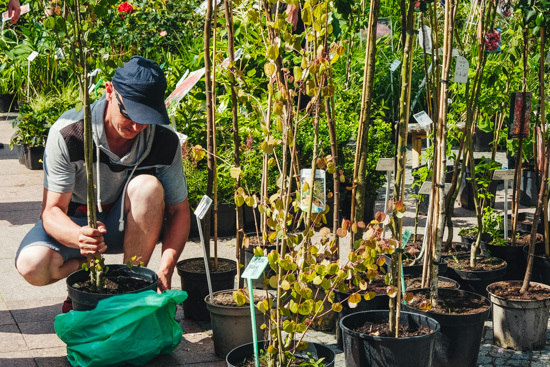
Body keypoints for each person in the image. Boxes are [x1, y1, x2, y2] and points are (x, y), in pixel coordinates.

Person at [15, 56, 191, 303]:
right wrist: (79, 236)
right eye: (130, 113)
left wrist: (166, 268)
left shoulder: (164, 140)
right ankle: (86, 270)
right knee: (32, 266)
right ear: (110, 91)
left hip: (128, 227)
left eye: (147, 117)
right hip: (78, 222)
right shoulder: (69, 133)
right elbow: (52, 211)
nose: (138, 126)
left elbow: (179, 212)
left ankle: (133, 284)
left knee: (148, 187)